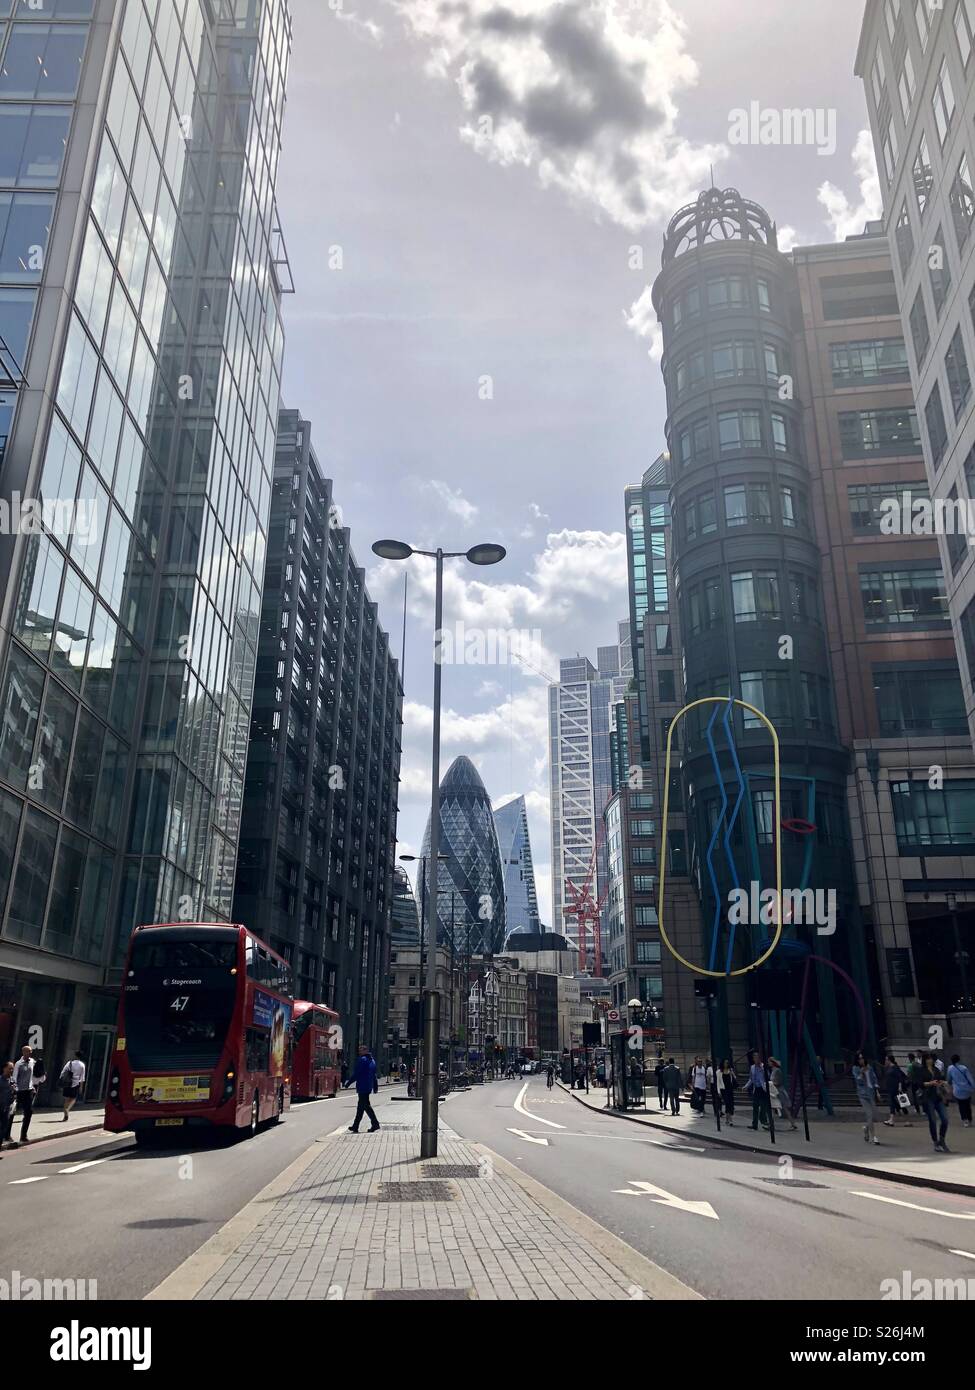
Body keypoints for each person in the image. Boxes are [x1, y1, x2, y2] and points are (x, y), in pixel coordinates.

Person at [346, 1043, 380, 1133]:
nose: (359, 1051)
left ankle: (375, 1123)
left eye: (361, 1050)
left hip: (362, 1086)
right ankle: (355, 1126)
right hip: (368, 1086)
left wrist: (348, 1083)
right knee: (360, 1107)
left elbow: (357, 1073)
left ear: (365, 1050)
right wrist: (375, 1086)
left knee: (366, 1106)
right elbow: (374, 1075)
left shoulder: (362, 1060)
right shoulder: (372, 1061)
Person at [920, 1054, 950, 1152]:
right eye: (928, 1059)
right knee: (932, 1120)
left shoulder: (936, 1069)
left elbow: (940, 1078)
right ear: (925, 1060)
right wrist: (930, 1083)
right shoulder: (921, 1070)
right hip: (928, 1098)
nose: (930, 1061)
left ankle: (942, 1139)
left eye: (931, 1059)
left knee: (945, 1119)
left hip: (938, 1097)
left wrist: (942, 1082)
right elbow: (919, 1083)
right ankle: (935, 1142)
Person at [852, 1052, 881, 1145]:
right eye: (859, 1059)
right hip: (863, 1094)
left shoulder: (870, 1068)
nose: (861, 1060)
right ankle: (874, 1136)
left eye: (862, 1058)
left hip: (871, 1093)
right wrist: (861, 1072)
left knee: (874, 1115)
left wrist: (877, 1092)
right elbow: (858, 1080)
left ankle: (866, 1128)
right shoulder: (855, 1068)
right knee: (869, 1114)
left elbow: (874, 1079)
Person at [12, 1045, 37, 1145]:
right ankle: (6, 1134)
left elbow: (33, 1075)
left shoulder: (32, 1061)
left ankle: (23, 1135)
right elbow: (14, 1077)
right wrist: (15, 1090)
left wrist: (33, 1085)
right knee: (12, 1112)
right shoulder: (18, 1064)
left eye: (31, 1051)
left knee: (29, 1112)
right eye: (28, 1051)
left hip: (28, 1090)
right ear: (23, 1052)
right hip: (19, 1091)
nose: (30, 1053)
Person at [768, 1057, 798, 1131]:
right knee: (772, 1107)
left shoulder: (777, 1071)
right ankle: (771, 1124)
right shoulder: (773, 1070)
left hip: (779, 1091)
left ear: (772, 1063)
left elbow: (779, 1082)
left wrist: (771, 1083)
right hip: (774, 1091)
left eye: (769, 1062)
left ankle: (793, 1123)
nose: (768, 1063)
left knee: (784, 1108)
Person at [882, 1054, 911, 1127]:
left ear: (889, 1060)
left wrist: (900, 1086)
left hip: (896, 1089)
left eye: (886, 1059)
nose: (885, 1061)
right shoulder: (888, 1068)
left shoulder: (895, 1068)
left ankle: (905, 1120)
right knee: (894, 1104)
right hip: (891, 1088)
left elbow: (900, 1078)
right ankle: (892, 1120)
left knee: (901, 1104)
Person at [947, 1054, 973, 1127]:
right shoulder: (964, 1068)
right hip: (967, 1090)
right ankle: (970, 1119)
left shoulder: (950, 1068)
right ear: (959, 1059)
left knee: (961, 1105)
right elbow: (970, 1079)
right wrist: (973, 1087)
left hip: (957, 1090)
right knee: (967, 1105)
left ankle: (965, 1120)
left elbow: (949, 1079)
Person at [60, 1052, 86, 1120]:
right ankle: (67, 1109)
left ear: (75, 1056)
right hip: (76, 1083)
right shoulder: (82, 1065)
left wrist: (62, 1080)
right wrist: (81, 1087)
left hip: (67, 1083)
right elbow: (82, 1077)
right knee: (73, 1098)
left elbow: (63, 1072)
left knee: (67, 1098)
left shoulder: (69, 1063)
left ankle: (65, 1111)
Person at [747, 1054, 770, 1131]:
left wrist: (762, 1069)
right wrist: (746, 1086)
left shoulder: (763, 1066)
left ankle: (764, 1122)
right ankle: (755, 1124)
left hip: (763, 1089)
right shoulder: (752, 1067)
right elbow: (751, 1079)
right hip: (756, 1088)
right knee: (755, 1107)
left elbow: (768, 1076)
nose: (756, 1059)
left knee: (763, 1107)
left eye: (757, 1058)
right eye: (755, 1058)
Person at [0, 1062, 14, 1156]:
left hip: (7, 1108)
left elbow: (13, 1095)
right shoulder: (0, 1080)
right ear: (4, 1069)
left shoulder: (12, 1081)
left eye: (12, 1069)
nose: (11, 1071)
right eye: (9, 1068)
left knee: (3, 1128)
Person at [720, 1059, 737, 1125]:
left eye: (727, 1063)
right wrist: (719, 1091)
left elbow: (735, 1078)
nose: (726, 1064)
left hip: (730, 1089)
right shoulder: (720, 1071)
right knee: (727, 1103)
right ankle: (730, 1119)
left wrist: (732, 1074)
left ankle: (728, 1118)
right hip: (724, 1090)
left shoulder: (730, 1070)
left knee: (730, 1104)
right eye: (725, 1063)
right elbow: (719, 1082)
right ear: (723, 1064)